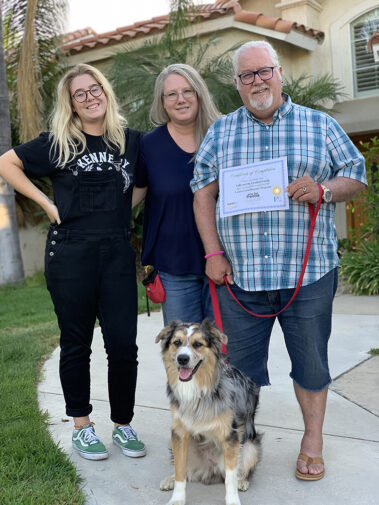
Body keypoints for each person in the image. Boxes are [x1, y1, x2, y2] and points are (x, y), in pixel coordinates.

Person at [191, 41, 366, 480]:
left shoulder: (319, 124)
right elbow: (202, 193)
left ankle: (312, 442)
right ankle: (239, 449)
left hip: (307, 275)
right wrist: (213, 252)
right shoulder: (221, 132)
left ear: (279, 73)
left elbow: (356, 174)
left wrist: (324, 190)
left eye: (263, 71)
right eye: (247, 75)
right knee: (237, 374)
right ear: (237, 84)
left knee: (310, 363)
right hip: (241, 276)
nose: (257, 81)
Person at [0, 64, 146, 461]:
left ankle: (123, 423)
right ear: (71, 105)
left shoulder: (131, 141)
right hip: (70, 253)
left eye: (94, 87)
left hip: (116, 252)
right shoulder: (59, 143)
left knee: (122, 345)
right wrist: (46, 203)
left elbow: (143, 182)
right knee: (76, 343)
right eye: (79, 93)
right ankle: (82, 426)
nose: (89, 96)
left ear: (106, 91)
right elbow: (6, 163)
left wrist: (119, 212)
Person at [132, 63, 220, 325]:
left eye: (187, 91)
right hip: (174, 265)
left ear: (199, 93)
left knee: (225, 352)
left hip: (227, 261)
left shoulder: (224, 135)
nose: (180, 99)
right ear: (162, 101)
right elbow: (134, 195)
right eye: (171, 94)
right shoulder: (149, 145)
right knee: (185, 354)